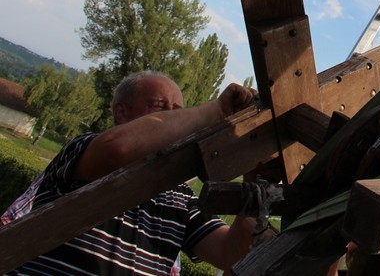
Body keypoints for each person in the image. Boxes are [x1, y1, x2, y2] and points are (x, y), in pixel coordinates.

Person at [6, 70, 261, 275]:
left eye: (179, 111)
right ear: (121, 112)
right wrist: (217, 112)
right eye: (160, 105)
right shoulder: (83, 149)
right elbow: (119, 148)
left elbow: (229, 255)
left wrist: (258, 182)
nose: (175, 119)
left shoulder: (181, 196)